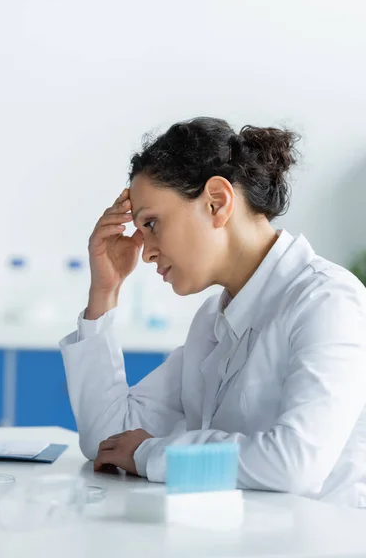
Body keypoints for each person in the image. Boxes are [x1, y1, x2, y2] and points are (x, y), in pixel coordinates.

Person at [60, 117, 366, 507]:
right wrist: (105, 291)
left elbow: (294, 464)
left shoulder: (327, 300)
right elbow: (108, 439)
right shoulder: (212, 321)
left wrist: (153, 454)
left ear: (216, 202)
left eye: (152, 223)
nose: (146, 250)